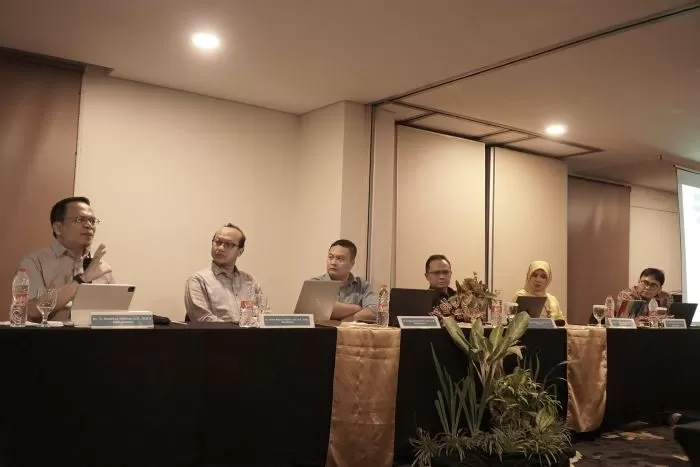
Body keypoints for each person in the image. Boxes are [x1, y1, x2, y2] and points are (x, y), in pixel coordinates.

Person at [17, 196, 114, 322]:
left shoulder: (100, 268)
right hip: (49, 334)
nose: (89, 225)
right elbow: (32, 310)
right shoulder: (34, 262)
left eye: (92, 221)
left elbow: (113, 314)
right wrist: (82, 280)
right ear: (58, 228)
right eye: (80, 220)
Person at [184, 223, 259, 322]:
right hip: (217, 332)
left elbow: (261, 315)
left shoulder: (249, 281)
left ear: (240, 251)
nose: (220, 248)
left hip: (250, 332)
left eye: (228, 244)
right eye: (218, 242)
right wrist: (237, 328)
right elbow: (203, 319)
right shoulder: (198, 280)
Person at [311, 239, 377, 322]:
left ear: (352, 264)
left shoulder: (362, 285)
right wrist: (357, 308)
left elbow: (374, 310)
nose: (333, 262)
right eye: (330, 257)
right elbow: (321, 308)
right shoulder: (315, 283)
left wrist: (350, 319)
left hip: (351, 331)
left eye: (340, 259)